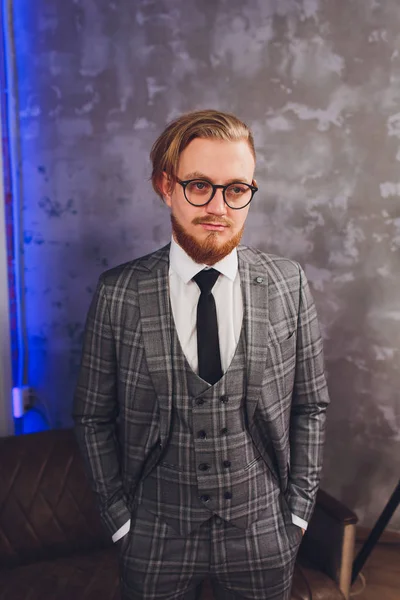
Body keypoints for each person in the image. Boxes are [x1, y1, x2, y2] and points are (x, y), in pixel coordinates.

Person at [73, 109, 330, 600]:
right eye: (199, 186)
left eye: (236, 189)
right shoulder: (119, 292)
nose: (219, 206)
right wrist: (120, 521)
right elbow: (91, 417)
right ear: (165, 186)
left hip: (261, 533)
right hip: (154, 533)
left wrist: (296, 513)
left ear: (251, 191)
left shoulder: (288, 283)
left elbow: (311, 406)